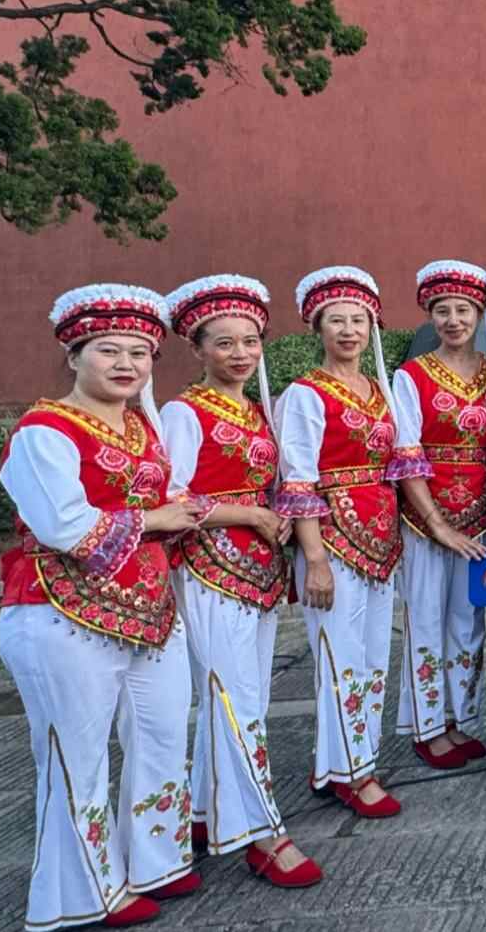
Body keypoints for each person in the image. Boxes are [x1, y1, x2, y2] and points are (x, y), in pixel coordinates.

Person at [0, 285, 204, 929]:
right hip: (60, 610)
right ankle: (84, 891)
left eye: (139, 353)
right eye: (109, 350)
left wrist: (184, 510)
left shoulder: (142, 427)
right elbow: (64, 525)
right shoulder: (43, 431)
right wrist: (159, 518)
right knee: (76, 756)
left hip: (150, 607)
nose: (126, 364)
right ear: (73, 355)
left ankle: (157, 860)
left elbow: (170, 497)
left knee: (164, 734)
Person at [162, 275, 320, 888]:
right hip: (210, 568)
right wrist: (250, 513)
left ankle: (205, 815)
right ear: (197, 348)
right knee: (234, 701)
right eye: (224, 343)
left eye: (250, 341)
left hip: (259, 569)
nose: (240, 353)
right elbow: (171, 498)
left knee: (242, 697)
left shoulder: (257, 409)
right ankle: (264, 832)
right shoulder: (183, 412)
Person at [274, 266, 406, 819]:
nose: (349, 331)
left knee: (373, 659)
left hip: (380, 541)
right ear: (317, 328)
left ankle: (340, 764)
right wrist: (315, 560)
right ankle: (354, 773)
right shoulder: (305, 395)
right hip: (332, 541)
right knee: (338, 659)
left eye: (358, 321)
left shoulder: (379, 389)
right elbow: (297, 479)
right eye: (337, 321)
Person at [388, 261, 486, 770]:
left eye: (463, 310)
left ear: (479, 314)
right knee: (426, 618)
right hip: (426, 518)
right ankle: (426, 726)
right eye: (442, 311)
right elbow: (406, 454)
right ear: (430, 316)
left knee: (468, 620)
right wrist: (436, 524)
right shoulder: (410, 376)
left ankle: (458, 718)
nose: (453, 320)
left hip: (481, 515)